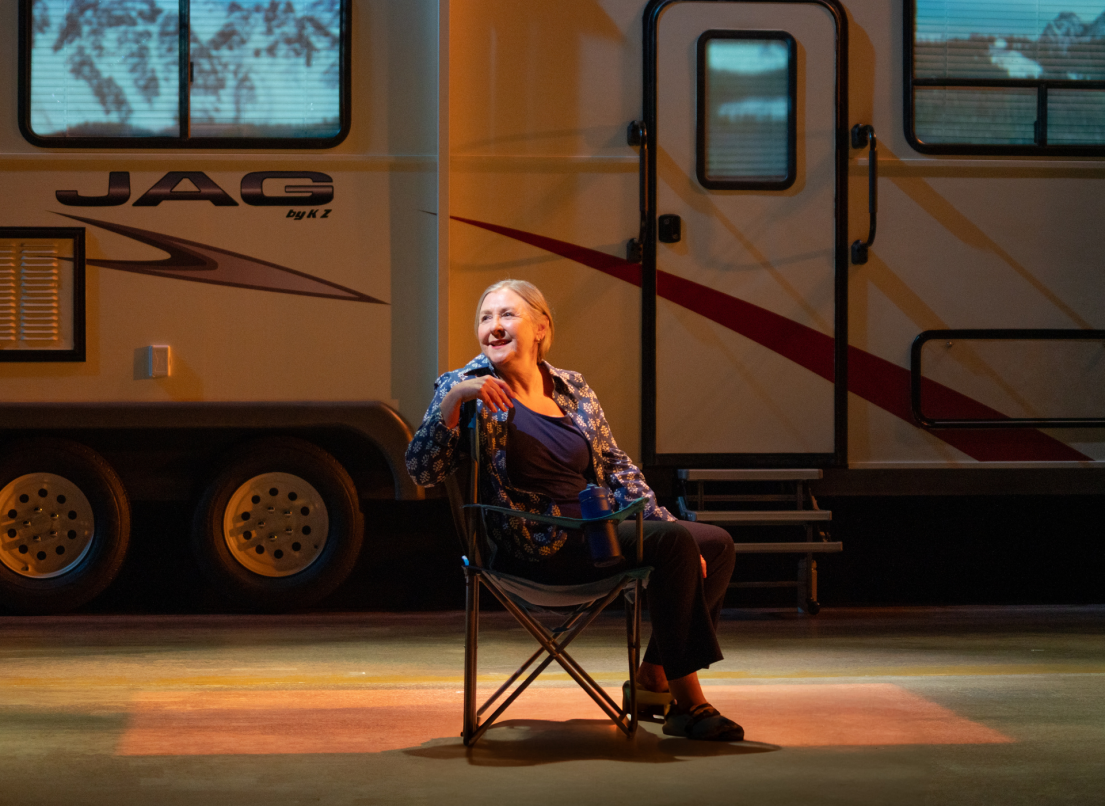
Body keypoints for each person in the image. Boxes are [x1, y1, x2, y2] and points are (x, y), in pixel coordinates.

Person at [406, 279, 742, 742]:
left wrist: (662, 522)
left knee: (716, 545)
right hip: (538, 544)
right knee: (674, 544)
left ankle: (652, 680)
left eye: (507, 315)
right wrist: (453, 400)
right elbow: (422, 470)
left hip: (595, 530)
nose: (494, 327)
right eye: (485, 318)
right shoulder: (467, 388)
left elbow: (614, 467)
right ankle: (689, 703)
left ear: (541, 326)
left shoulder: (571, 387)